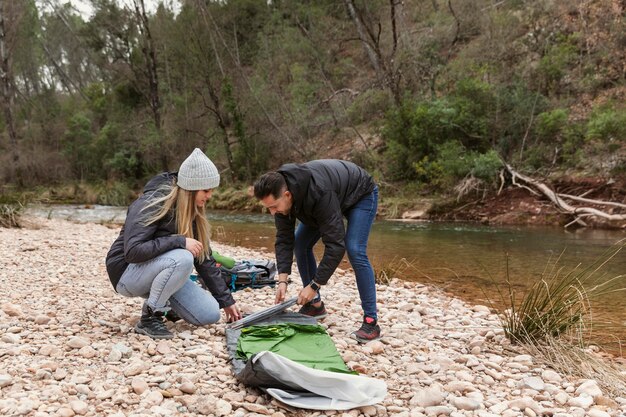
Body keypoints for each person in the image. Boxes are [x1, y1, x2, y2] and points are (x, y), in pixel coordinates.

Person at [106, 148, 242, 340]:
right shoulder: (153, 202)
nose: (210, 196)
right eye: (206, 190)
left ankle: (167, 306)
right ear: (192, 188)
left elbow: (204, 259)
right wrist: (179, 241)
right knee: (184, 257)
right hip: (127, 273)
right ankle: (150, 317)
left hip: (160, 270)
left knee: (210, 314)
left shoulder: (192, 211)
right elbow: (133, 251)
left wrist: (226, 300)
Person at [253, 159, 380, 343]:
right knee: (300, 244)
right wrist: (282, 279)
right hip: (330, 198)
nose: (272, 212)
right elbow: (284, 239)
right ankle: (315, 306)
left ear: (287, 195)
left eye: (274, 207)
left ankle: (371, 321)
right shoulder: (281, 198)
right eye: (268, 208)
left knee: (355, 250)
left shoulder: (319, 193)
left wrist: (314, 285)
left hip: (360, 193)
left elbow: (336, 245)